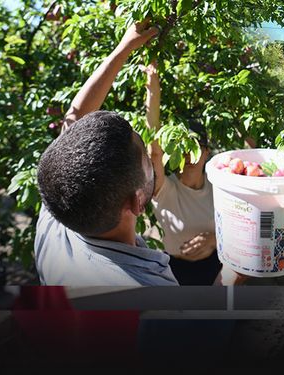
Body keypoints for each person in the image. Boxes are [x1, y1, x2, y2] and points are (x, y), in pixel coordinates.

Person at [34, 21, 179, 286]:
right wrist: (234, 272)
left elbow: (74, 119)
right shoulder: (149, 289)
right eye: (145, 157)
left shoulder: (57, 214)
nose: (150, 153)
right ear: (137, 202)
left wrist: (124, 48)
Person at [142, 62, 246, 286]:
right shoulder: (164, 188)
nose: (189, 155)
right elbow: (154, 153)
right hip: (171, 273)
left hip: (215, 270)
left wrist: (215, 240)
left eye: (195, 148)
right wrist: (153, 91)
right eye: (183, 148)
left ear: (206, 153)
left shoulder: (218, 186)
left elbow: (241, 227)